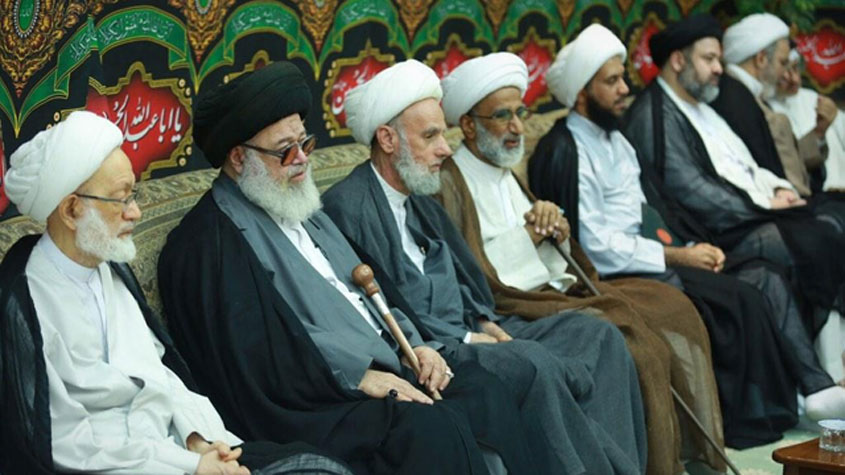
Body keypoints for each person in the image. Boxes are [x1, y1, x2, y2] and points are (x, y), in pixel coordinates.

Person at [158, 61, 543, 475]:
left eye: (305, 143)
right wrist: (359, 377)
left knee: (481, 390)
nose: (302, 160)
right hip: (318, 401)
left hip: (388, 364)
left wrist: (417, 346)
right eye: (285, 150)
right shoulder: (208, 245)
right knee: (429, 428)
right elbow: (258, 360)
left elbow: (375, 291)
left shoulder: (303, 207)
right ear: (238, 158)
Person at [323, 58, 647, 474]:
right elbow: (383, 312)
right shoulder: (349, 208)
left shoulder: (420, 197)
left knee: (598, 335)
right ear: (387, 139)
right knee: (534, 364)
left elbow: (466, 276)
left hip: (473, 329)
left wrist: (482, 321)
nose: (446, 148)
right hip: (437, 349)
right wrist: (469, 337)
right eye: (431, 136)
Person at [0, 110, 352, 475]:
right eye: (121, 199)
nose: (135, 212)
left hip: (174, 445)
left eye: (133, 195)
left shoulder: (109, 268)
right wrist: (191, 464)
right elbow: (60, 443)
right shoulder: (24, 306)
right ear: (72, 211)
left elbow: (162, 375)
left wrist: (201, 440)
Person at [438, 51, 725, 474]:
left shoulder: (502, 168)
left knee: (671, 306)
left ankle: (676, 459)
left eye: (520, 113)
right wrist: (531, 235)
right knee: (631, 342)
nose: (517, 127)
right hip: (516, 306)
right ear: (467, 125)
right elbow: (472, 271)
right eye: (503, 116)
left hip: (552, 289)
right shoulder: (450, 180)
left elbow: (554, 253)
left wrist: (556, 227)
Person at [531, 22, 802, 447]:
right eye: (612, 81)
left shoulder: (616, 138)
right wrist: (678, 256)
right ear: (582, 93)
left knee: (761, 273)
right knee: (736, 299)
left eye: (623, 78)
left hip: (655, 254)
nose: (625, 89)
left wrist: (689, 245)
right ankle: (737, 421)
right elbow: (593, 246)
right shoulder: (565, 149)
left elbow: (652, 207)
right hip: (620, 274)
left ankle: (788, 400)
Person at [623, 14, 845, 421]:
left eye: (718, 60)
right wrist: (762, 206)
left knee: (832, 221)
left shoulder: (703, 108)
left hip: (748, 214)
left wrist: (776, 188)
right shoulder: (654, 114)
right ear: (678, 60)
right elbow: (691, 190)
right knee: (814, 241)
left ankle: (825, 380)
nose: (718, 70)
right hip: (712, 231)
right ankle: (820, 379)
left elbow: (745, 165)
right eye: (709, 59)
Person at [712, 13, 834, 202]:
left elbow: (781, 156)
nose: (785, 73)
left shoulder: (749, 94)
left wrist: (818, 133)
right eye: (783, 63)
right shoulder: (736, 101)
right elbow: (773, 170)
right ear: (761, 59)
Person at [771, 48, 845, 192]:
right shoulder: (766, 108)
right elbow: (792, 162)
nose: (794, 79)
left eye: (795, 68)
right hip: (817, 195)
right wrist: (818, 133)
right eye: (785, 72)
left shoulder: (812, 97)